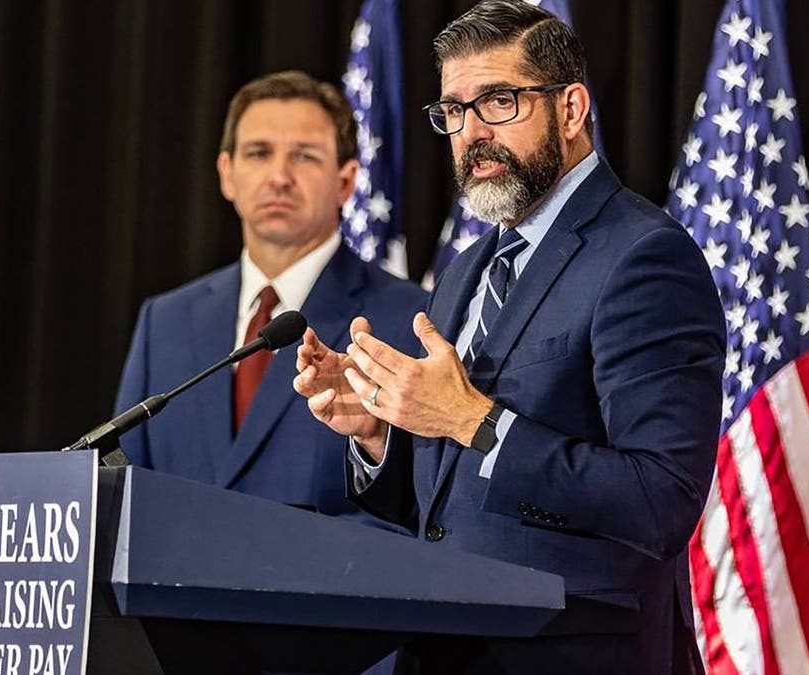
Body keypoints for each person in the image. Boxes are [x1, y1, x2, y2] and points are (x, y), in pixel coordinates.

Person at [293, 3, 725, 673]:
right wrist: (381, 434)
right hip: (446, 648)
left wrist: (475, 420)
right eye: (454, 111)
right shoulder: (469, 269)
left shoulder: (643, 257)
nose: (471, 132)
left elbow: (659, 500)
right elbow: (453, 507)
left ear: (572, 109)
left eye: (498, 101)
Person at [116, 70, 426, 528]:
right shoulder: (165, 320)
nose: (279, 177)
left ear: (346, 182)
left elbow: (421, 510)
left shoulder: (409, 319)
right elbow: (126, 492)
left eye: (304, 156)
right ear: (227, 174)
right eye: (259, 153)